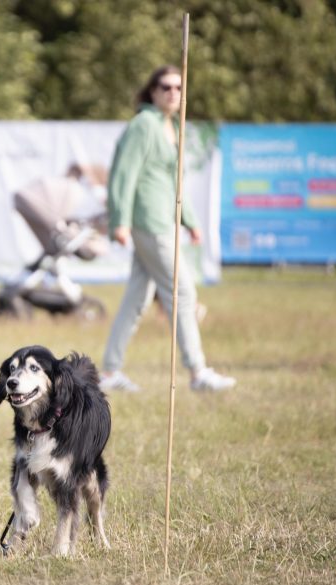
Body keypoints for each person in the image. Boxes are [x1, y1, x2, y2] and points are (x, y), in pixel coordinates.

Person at [99, 65, 235, 394]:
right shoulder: (144, 125)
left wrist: (189, 219)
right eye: (165, 87)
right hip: (149, 221)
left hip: (166, 219)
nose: (173, 92)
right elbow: (123, 174)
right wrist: (120, 220)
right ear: (152, 91)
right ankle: (197, 372)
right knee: (182, 292)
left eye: (178, 87)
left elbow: (173, 181)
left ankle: (107, 373)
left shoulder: (171, 126)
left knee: (137, 299)